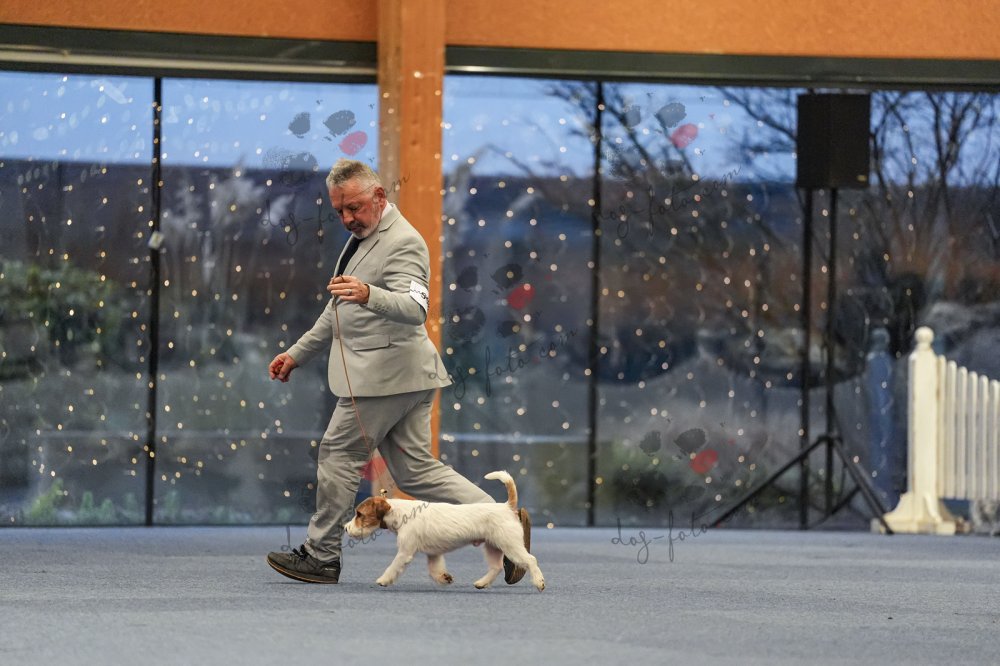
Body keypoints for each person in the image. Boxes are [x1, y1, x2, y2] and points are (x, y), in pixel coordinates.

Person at [265, 159, 531, 584]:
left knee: (338, 455)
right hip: (405, 375)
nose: (346, 218)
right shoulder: (364, 238)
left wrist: (369, 294)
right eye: (339, 210)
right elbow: (338, 310)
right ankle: (504, 521)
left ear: (379, 197)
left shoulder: (404, 241)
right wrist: (297, 354)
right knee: (415, 471)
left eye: (354, 207)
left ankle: (321, 556)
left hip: (384, 377)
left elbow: (415, 308)